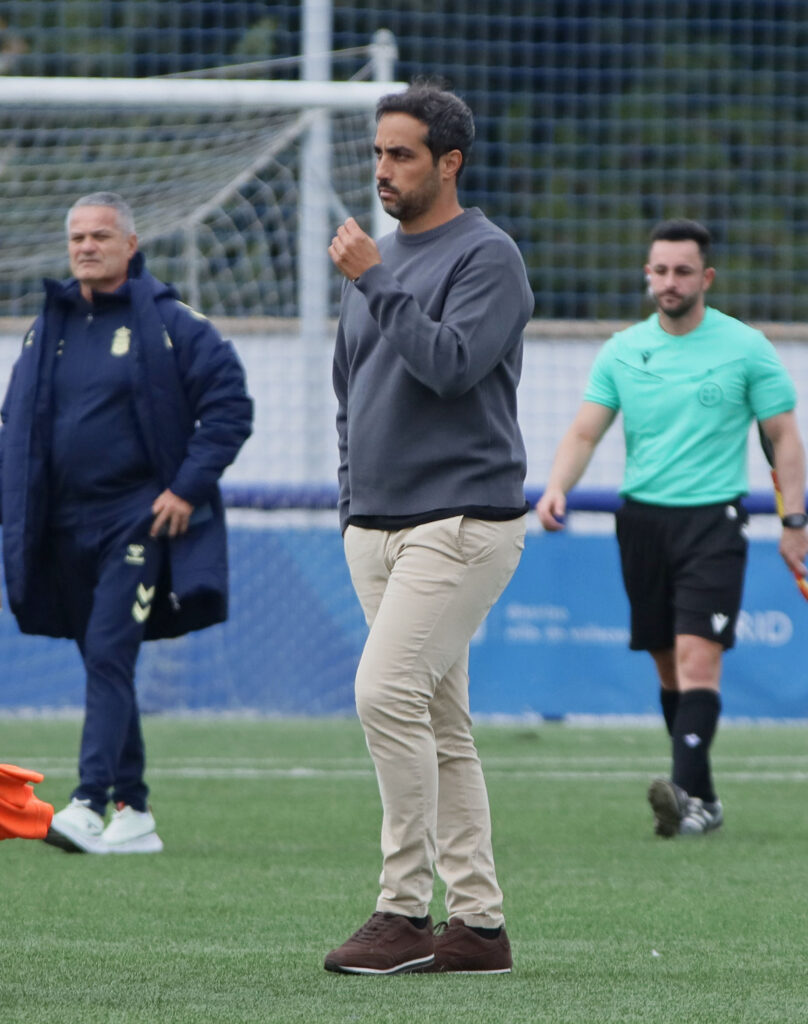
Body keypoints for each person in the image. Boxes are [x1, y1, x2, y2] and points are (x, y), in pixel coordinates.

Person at [324, 81, 534, 975]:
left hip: (459, 520)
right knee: (442, 727)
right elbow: (350, 391)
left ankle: (404, 910)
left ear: (449, 162)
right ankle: (479, 928)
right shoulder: (372, 261)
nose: (382, 169)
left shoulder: (488, 257)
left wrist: (374, 277)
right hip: (374, 525)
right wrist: (349, 502)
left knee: (386, 695)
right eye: (376, 152)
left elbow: (449, 366)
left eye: (400, 153)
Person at [537, 218, 808, 838]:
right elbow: (585, 431)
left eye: (683, 271)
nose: (670, 281)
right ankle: (705, 799)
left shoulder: (745, 347)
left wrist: (794, 519)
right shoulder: (622, 350)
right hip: (642, 524)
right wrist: (557, 486)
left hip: (714, 521)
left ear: (705, 277)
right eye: (659, 270)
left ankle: (683, 798)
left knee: (696, 660)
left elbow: (784, 437)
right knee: (668, 668)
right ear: (647, 275)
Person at [0, 192, 253, 854]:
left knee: (110, 651)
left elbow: (230, 405)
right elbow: (17, 425)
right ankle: (133, 811)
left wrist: (184, 489)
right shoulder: (45, 328)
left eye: (101, 235)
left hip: (136, 523)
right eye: (77, 236)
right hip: (62, 526)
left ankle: (87, 804)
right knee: (99, 659)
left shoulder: (172, 323)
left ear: (130, 245)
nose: (86, 246)